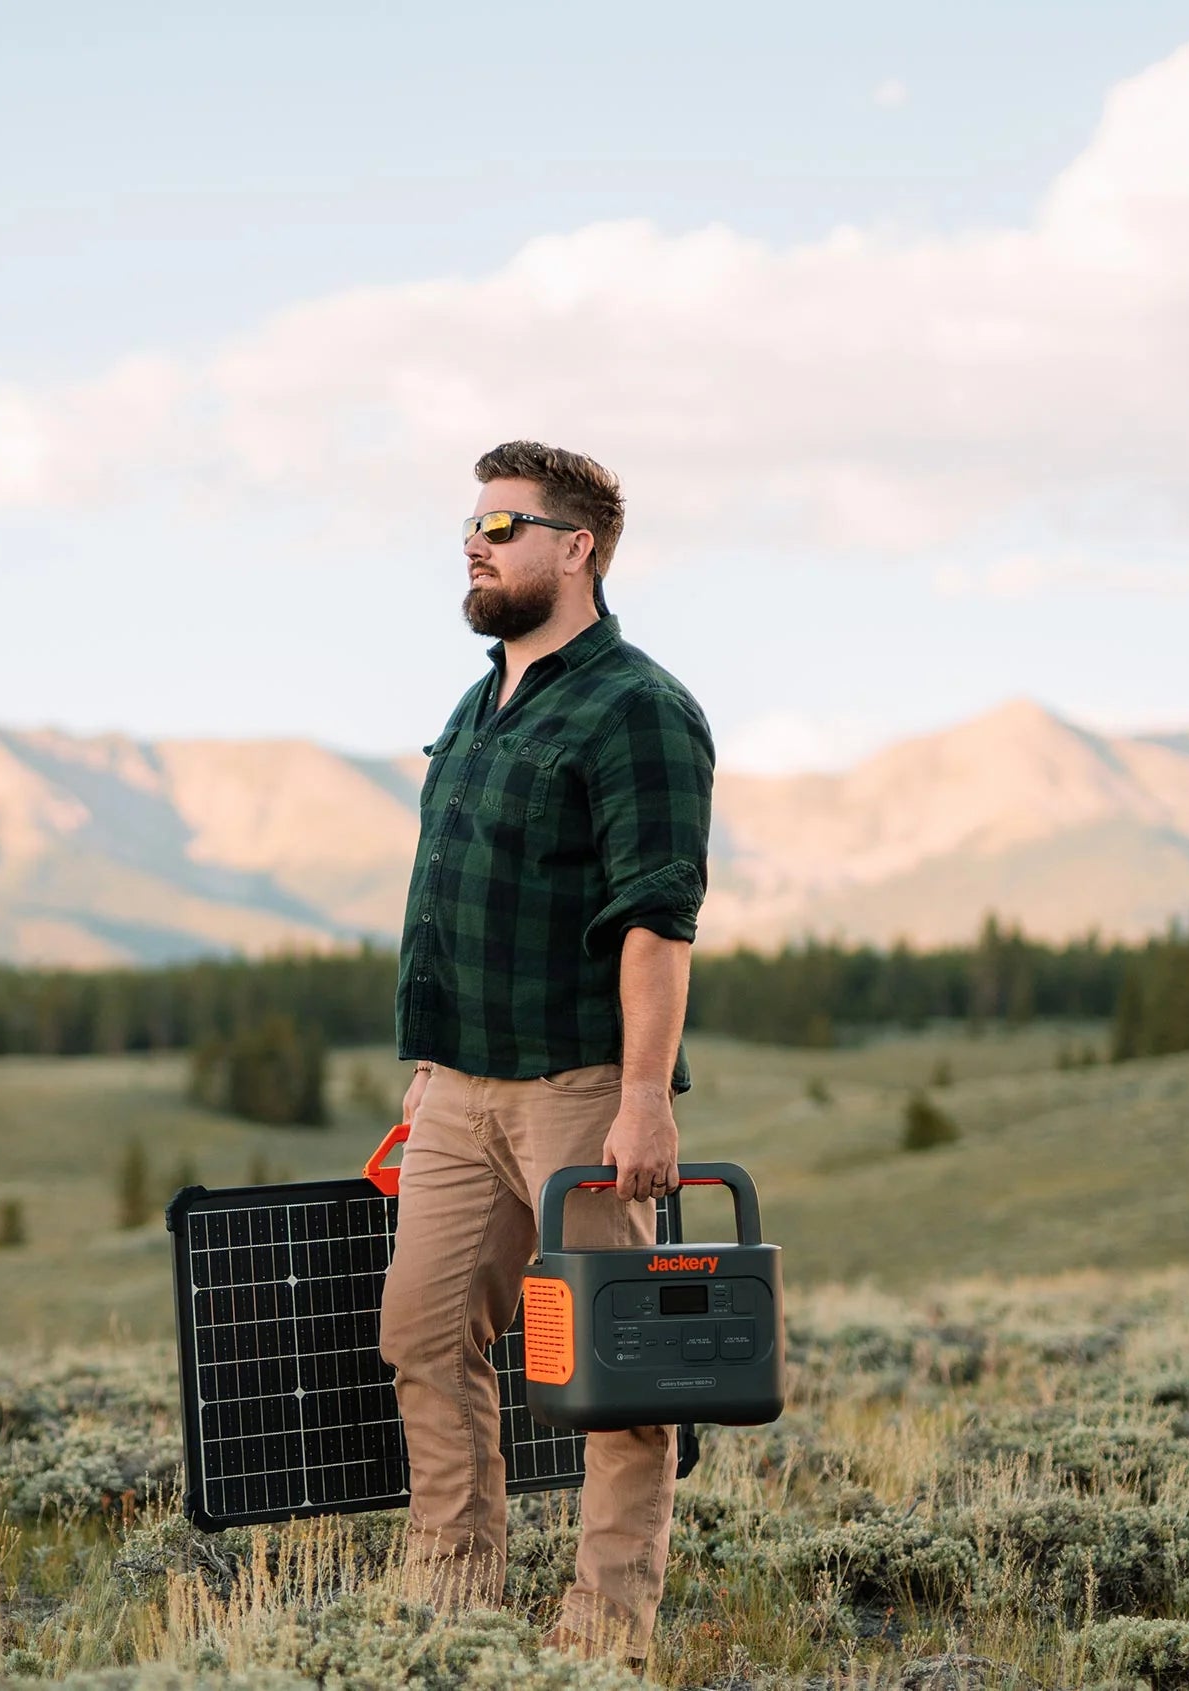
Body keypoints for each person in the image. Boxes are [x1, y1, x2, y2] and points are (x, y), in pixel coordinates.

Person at [378, 440, 715, 1665]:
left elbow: (656, 920)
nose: (475, 544)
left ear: (577, 549)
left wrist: (644, 1097)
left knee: (615, 1369)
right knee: (423, 1336)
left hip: (579, 1088)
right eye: (472, 525)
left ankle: (602, 1640)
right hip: (459, 1089)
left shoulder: (639, 707)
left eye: (503, 525)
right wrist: (433, 1065)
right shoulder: (480, 702)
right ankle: (453, 1614)